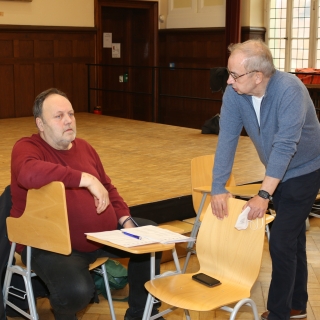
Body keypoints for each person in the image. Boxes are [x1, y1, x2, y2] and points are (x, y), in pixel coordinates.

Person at [10, 88, 163, 320]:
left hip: (100, 237)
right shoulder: (27, 148)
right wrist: (85, 179)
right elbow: (28, 174)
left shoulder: (85, 148)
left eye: (70, 114)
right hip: (49, 244)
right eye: (59, 116)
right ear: (40, 124)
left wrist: (125, 219)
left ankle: (141, 315)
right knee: (77, 292)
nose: (69, 120)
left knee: (150, 237)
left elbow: (108, 188)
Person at [210, 39, 320, 320]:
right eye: (229, 73)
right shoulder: (235, 93)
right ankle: (297, 305)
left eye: (235, 75)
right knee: (291, 238)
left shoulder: (290, 90)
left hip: (307, 169)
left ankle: (279, 313)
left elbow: (286, 145)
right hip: (276, 171)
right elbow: (227, 138)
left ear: (258, 76)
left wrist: (263, 195)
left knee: (281, 240)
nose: (230, 81)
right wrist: (218, 187)